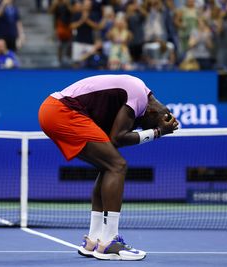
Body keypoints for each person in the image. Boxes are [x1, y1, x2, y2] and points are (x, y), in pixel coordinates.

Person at [38, 74, 179, 261]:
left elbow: (114, 142)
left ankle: (94, 240)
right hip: (61, 111)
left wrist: (155, 130)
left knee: (108, 166)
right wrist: (158, 132)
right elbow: (119, 138)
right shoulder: (138, 94)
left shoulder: (128, 99)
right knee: (118, 166)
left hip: (53, 110)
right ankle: (110, 242)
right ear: (152, 113)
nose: (140, 127)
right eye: (147, 125)